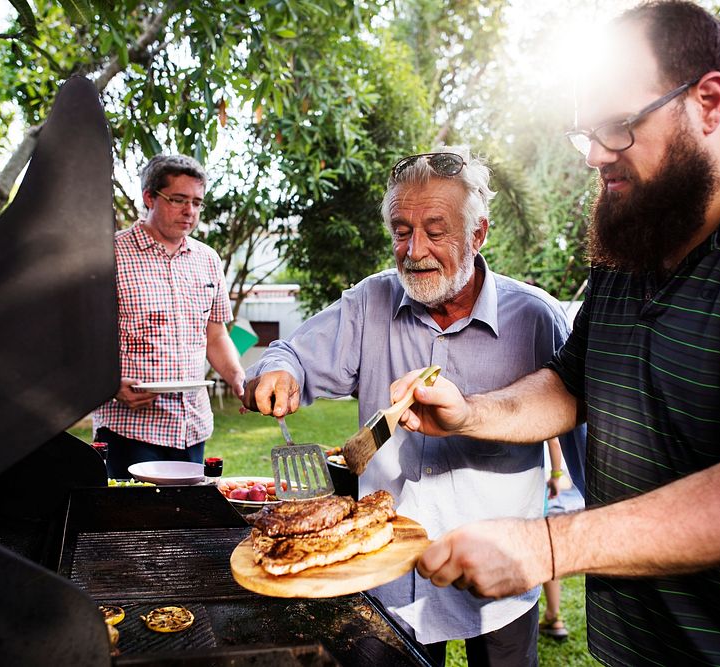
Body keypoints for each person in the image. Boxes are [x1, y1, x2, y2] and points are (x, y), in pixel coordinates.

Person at [392, 3, 720, 665]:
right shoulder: (632, 234)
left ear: (709, 101)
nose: (594, 155)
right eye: (584, 132)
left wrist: (546, 546)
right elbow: (572, 383)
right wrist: (472, 413)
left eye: (617, 127)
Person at [242, 145, 585, 666]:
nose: (414, 249)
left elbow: (581, 426)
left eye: (435, 229)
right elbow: (288, 352)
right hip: (387, 582)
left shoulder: (536, 318)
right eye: (402, 231)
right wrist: (278, 370)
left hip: (497, 585)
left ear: (479, 233)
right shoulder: (368, 303)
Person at [93, 154, 245, 478]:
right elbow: (80, 341)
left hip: (192, 426)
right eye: (178, 200)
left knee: (185, 522)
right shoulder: (108, 257)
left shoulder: (208, 260)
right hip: (130, 429)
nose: (189, 211)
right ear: (149, 197)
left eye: (197, 202)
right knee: (131, 525)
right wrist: (108, 384)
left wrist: (237, 379)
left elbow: (216, 335)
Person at [538, 436, 568, 642]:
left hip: (534, 484)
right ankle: (554, 615)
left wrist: (555, 476)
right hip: (551, 486)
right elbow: (555, 442)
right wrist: (557, 475)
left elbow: (554, 442)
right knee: (549, 551)